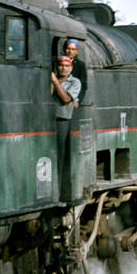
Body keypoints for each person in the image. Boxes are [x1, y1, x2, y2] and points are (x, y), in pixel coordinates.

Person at [51, 55, 81, 195]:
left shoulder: (75, 82)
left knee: (60, 158)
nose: (63, 68)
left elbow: (66, 99)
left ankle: (59, 192)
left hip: (62, 121)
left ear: (71, 68)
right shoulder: (50, 80)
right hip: (47, 120)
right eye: (61, 65)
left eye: (66, 66)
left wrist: (55, 82)